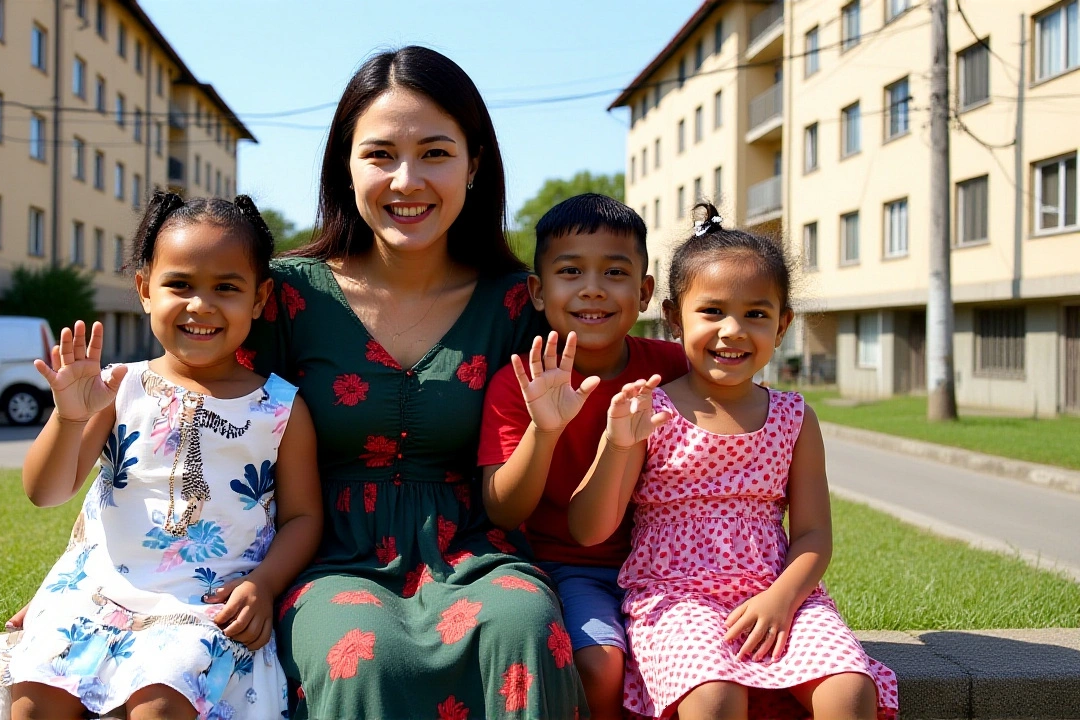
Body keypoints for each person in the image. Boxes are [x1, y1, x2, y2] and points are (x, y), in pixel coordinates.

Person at [237, 46, 587, 718]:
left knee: (524, 625)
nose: (407, 180)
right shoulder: (282, 294)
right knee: (359, 648)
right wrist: (110, 578)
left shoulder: (520, 303)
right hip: (325, 557)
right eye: (380, 155)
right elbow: (199, 421)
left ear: (474, 164)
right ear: (346, 164)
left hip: (477, 554)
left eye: (434, 152)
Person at [0, 193, 323, 720]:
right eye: (180, 285)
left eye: (227, 287)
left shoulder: (280, 408)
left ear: (261, 298)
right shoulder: (118, 387)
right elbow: (46, 492)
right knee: (36, 701)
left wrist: (263, 585)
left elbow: (303, 516)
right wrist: (70, 417)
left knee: (160, 704)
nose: (201, 306)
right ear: (144, 289)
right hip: (97, 594)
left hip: (205, 604)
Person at [569, 203, 899, 720]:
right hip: (676, 599)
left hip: (777, 591)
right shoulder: (650, 410)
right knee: (715, 696)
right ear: (675, 318)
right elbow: (589, 529)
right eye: (712, 311)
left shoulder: (794, 418)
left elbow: (813, 535)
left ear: (783, 324)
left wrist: (782, 599)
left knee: (849, 690)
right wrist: (616, 442)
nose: (733, 331)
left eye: (757, 314)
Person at [477, 193, 687, 720]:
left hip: (671, 566)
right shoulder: (519, 383)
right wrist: (545, 431)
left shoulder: (675, 369)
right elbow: (503, 510)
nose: (593, 288)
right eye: (570, 271)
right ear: (538, 292)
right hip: (570, 567)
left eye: (614, 273)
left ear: (643, 293)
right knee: (601, 662)